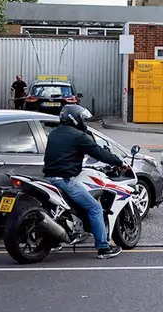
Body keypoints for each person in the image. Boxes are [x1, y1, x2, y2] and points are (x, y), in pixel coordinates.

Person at [42, 104, 128, 259]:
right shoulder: (78, 136)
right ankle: (103, 248)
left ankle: (54, 242)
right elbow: (99, 153)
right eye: (83, 119)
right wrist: (119, 162)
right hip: (65, 180)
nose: (85, 122)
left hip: (49, 178)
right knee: (95, 208)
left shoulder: (54, 133)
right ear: (75, 119)